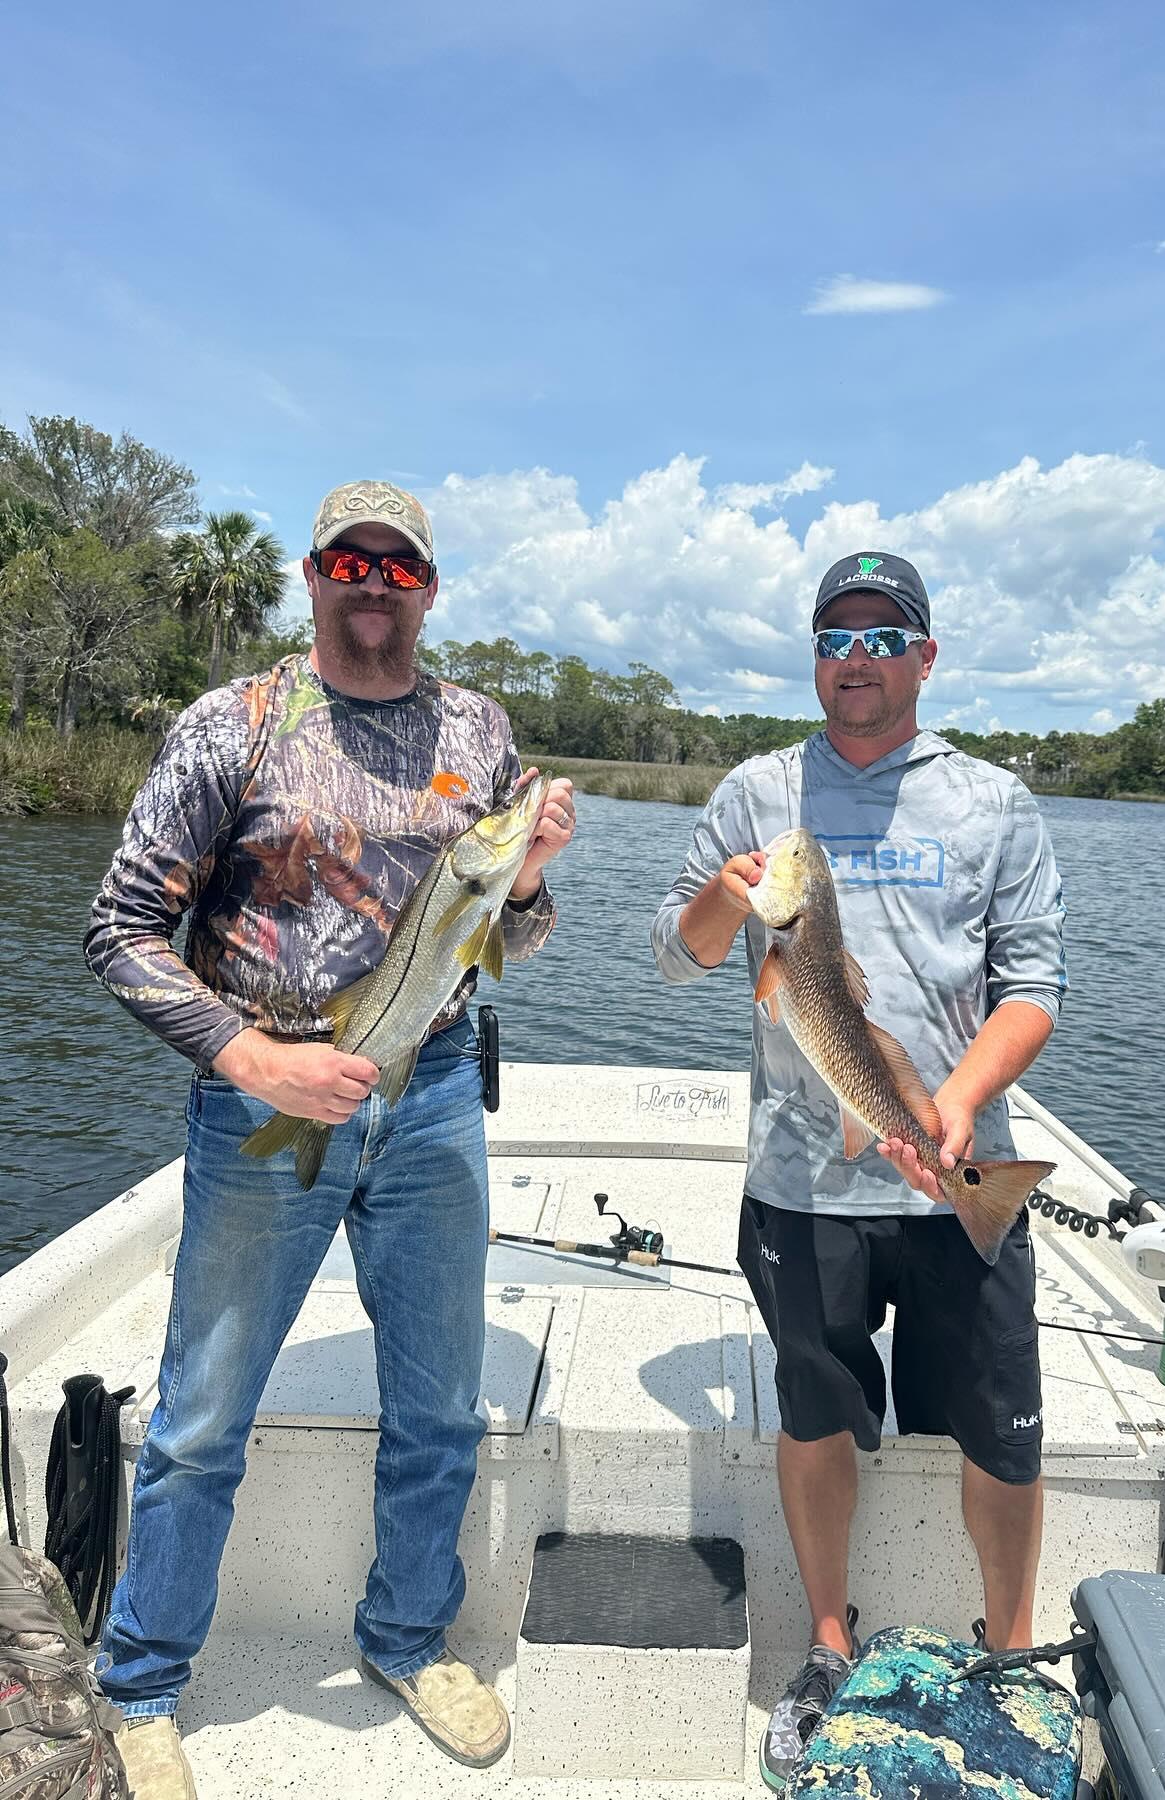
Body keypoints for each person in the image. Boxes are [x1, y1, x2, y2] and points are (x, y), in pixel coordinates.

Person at [84, 480, 575, 1799]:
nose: (374, 581)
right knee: (200, 1420)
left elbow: (509, 940)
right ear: (311, 575)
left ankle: (409, 1638)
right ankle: (139, 1684)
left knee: (437, 1408)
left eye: (399, 566)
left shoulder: (479, 731)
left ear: (429, 589)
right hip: (261, 1098)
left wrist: (524, 878)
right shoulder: (234, 724)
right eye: (350, 560)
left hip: (430, 1108)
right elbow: (118, 930)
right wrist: (251, 1057)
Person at [651, 551, 1066, 1791]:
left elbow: (1033, 986)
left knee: (1003, 1429)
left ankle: (1010, 1647)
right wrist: (730, 906)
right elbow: (679, 958)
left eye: (886, 639)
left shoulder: (995, 805)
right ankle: (827, 1641)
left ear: (927, 659)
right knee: (816, 1407)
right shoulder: (761, 794)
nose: (858, 658)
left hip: (953, 1169)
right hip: (804, 1183)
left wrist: (956, 1104)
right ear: (814, 654)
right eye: (838, 635)